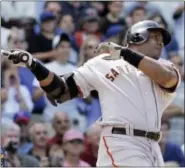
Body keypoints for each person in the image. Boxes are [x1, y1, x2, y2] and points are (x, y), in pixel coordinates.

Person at [6, 20, 181, 166]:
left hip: (152, 145)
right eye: (156, 37)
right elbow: (61, 91)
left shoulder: (165, 66)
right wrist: (35, 66)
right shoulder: (104, 63)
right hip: (121, 141)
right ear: (137, 37)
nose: (161, 43)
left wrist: (125, 53)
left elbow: (167, 79)